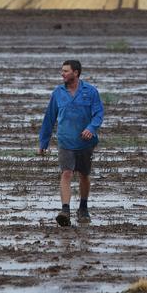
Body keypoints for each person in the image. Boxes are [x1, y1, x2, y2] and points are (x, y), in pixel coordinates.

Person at [39, 60, 104, 227]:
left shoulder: (90, 91)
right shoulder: (58, 93)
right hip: (65, 141)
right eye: (62, 71)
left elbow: (98, 114)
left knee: (83, 175)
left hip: (85, 142)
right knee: (66, 173)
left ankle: (83, 208)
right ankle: (65, 210)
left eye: (66, 71)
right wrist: (43, 141)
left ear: (76, 73)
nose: (62, 74)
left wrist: (91, 128)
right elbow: (49, 118)